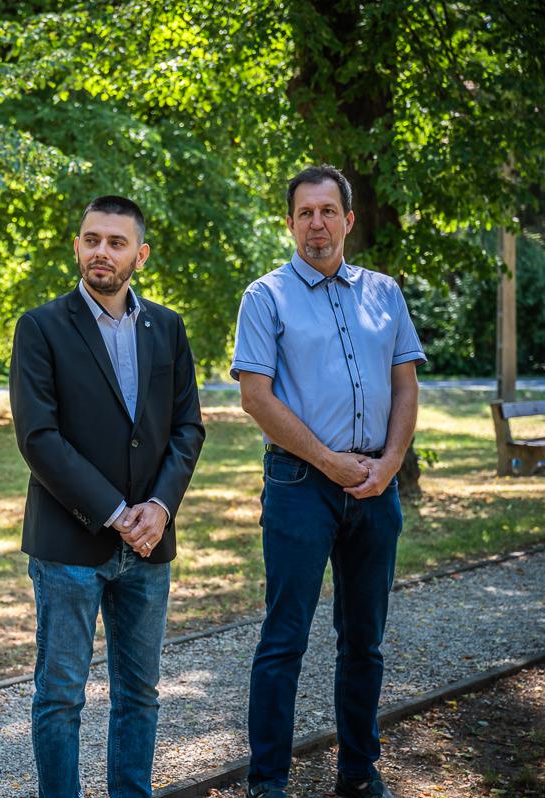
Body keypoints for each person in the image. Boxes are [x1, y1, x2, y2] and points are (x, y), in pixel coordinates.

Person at [232, 165, 425, 798]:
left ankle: (359, 774)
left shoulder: (385, 293)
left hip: (376, 485)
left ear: (348, 219)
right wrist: (328, 462)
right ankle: (268, 782)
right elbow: (256, 398)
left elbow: (405, 387)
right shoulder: (265, 297)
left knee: (365, 641)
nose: (317, 223)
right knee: (284, 638)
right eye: (305, 213)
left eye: (328, 211)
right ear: (290, 223)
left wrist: (389, 465)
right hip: (299, 485)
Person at [9, 195, 205, 798]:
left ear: (139, 256)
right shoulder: (41, 326)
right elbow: (39, 438)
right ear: (77, 247)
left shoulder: (167, 327)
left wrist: (159, 509)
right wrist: (117, 514)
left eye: (116, 242)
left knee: (140, 694)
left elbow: (187, 428)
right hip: (69, 544)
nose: (102, 251)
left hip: (150, 543)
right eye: (92, 239)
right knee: (61, 696)